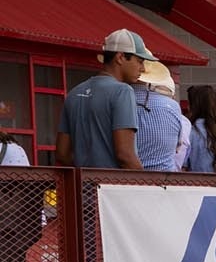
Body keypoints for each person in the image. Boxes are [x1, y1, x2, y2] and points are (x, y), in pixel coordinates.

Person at [56, 29, 154, 170]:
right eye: (139, 61)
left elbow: (62, 153)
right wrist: (146, 186)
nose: (143, 68)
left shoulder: (74, 93)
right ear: (120, 57)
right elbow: (125, 155)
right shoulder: (123, 91)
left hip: (81, 187)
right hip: (112, 188)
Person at [133, 61, 185, 172]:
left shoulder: (121, 100)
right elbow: (177, 148)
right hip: (166, 180)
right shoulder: (174, 107)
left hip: (126, 180)